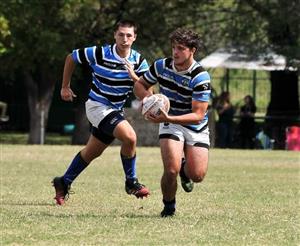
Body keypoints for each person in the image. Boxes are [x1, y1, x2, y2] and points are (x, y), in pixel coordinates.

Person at [52, 20, 150, 205]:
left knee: (91, 152)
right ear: (115, 35)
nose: (124, 39)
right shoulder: (100, 53)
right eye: (121, 34)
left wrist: (135, 78)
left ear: (135, 37)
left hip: (114, 111)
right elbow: (71, 57)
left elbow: (148, 92)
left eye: (129, 35)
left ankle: (63, 182)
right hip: (97, 106)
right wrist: (65, 86)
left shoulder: (138, 61)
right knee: (130, 137)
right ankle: (132, 182)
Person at [134, 28, 211, 217]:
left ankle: (186, 171)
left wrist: (168, 117)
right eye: (173, 47)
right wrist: (148, 100)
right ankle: (169, 208)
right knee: (170, 170)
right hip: (170, 123)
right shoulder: (161, 66)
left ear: (192, 50)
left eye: (181, 48)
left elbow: (198, 114)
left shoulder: (200, 77)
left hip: (194, 125)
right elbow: (139, 85)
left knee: (197, 175)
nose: (175, 52)